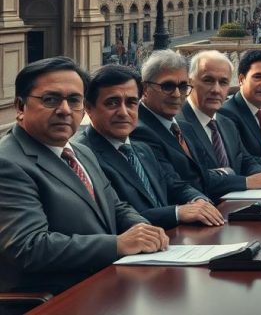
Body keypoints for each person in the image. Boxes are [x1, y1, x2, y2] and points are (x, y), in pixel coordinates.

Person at [0, 57, 167, 293]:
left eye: (74, 100)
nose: (65, 110)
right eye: (51, 99)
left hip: (107, 284)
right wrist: (118, 244)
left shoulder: (81, 152)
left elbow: (116, 207)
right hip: (56, 300)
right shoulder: (7, 163)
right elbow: (29, 248)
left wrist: (143, 228)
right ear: (20, 106)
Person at [76, 65, 224, 229]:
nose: (124, 112)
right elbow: (115, 217)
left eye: (131, 102)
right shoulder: (83, 156)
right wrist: (177, 212)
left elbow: (176, 186)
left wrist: (199, 201)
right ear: (88, 108)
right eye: (112, 103)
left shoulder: (142, 148)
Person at [176, 50, 261, 192]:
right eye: (208, 80)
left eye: (223, 82)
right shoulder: (177, 124)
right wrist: (245, 181)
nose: (216, 89)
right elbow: (194, 179)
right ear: (190, 82)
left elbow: (245, 161)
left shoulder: (226, 123)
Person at [131, 50, 213, 198]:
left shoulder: (185, 127)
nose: (176, 94)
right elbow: (175, 186)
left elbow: (205, 175)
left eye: (182, 86)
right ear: (145, 89)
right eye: (167, 86)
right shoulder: (139, 131)